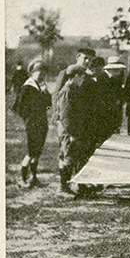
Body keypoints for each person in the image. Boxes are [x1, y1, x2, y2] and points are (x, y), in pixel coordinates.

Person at [12, 59, 52, 187]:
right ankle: (22, 178)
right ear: (32, 73)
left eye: (43, 74)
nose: (42, 76)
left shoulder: (40, 87)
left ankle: (33, 177)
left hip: (42, 122)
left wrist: (46, 94)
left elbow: (48, 106)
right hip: (33, 123)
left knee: (37, 152)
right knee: (31, 152)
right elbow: (18, 107)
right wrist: (28, 118)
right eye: (39, 74)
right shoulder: (27, 87)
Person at [55, 64, 92, 194]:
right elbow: (66, 116)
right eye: (82, 77)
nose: (83, 80)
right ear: (75, 76)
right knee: (68, 158)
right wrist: (73, 133)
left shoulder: (74, 89)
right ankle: (62, 187)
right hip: (69, 131)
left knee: (73, 157)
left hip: (74, 130)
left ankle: (73, 186)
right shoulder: (67, 91)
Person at [101, 56, 127, 136]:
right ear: (109, 70)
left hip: (115, 118)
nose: (119, 72)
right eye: (116, 70)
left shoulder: (117, 82)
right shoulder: (102, 81)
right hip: (104, 119)